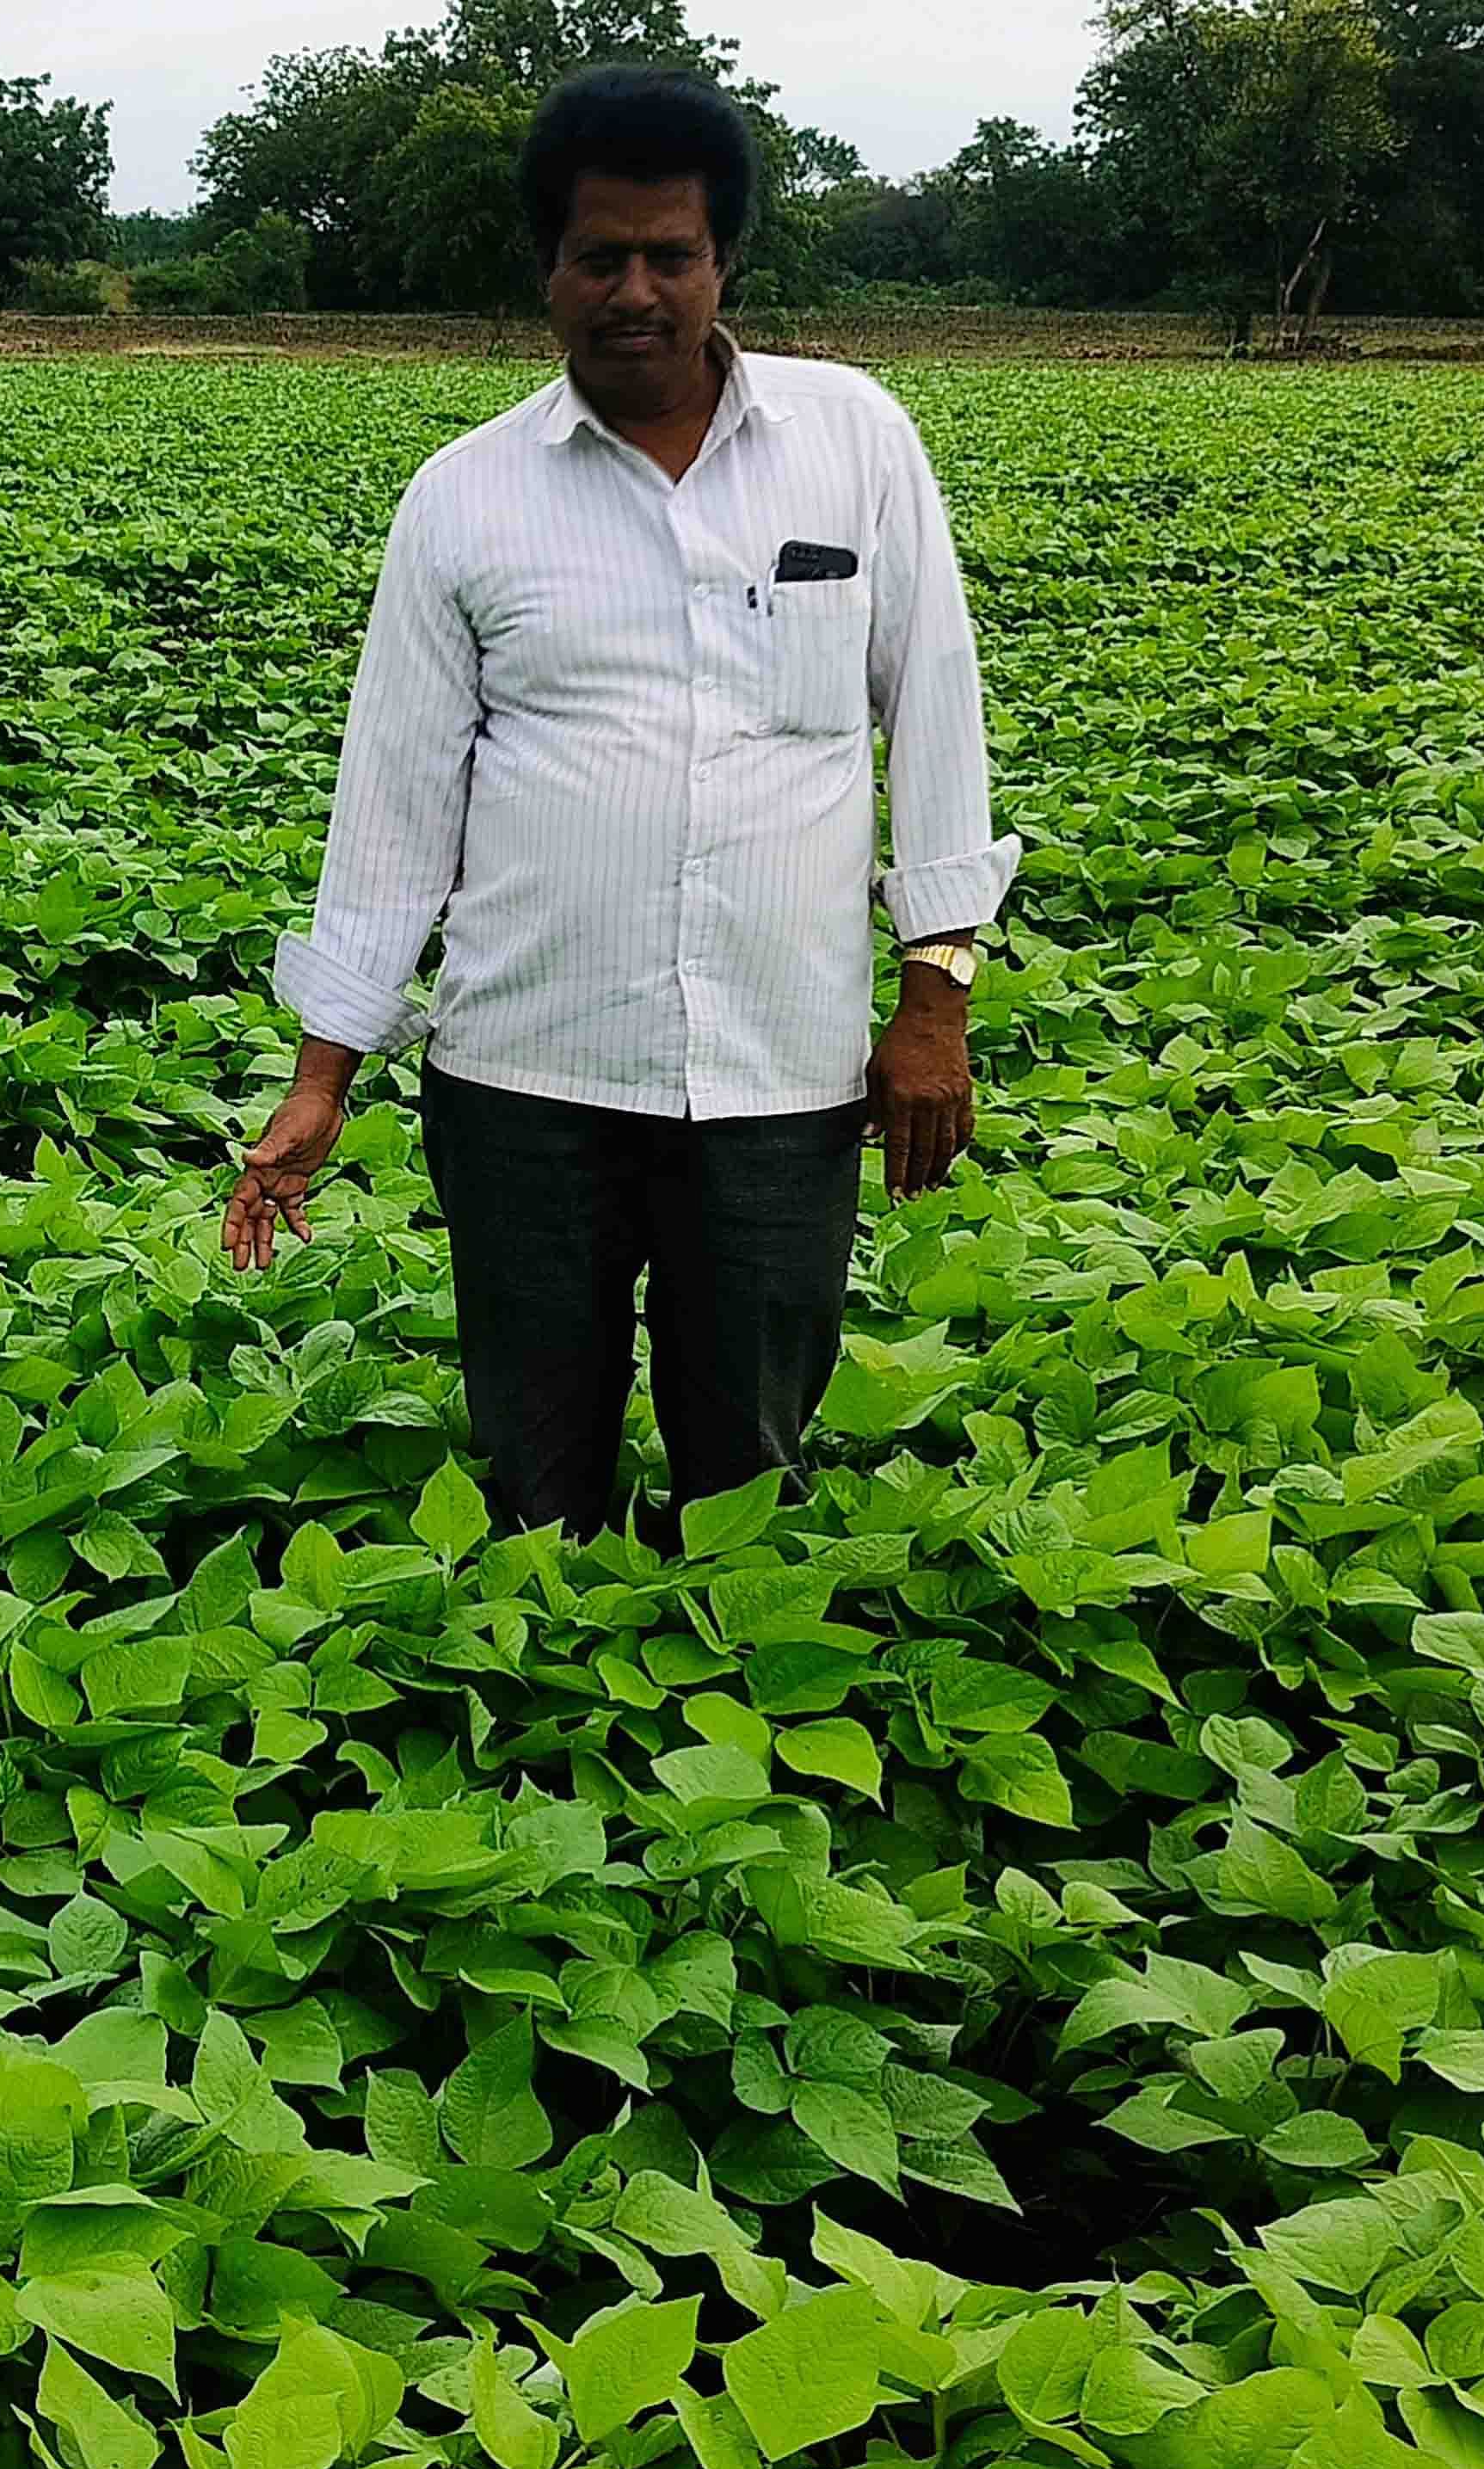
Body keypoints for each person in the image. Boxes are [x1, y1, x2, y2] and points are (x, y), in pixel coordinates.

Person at [215, 63, 1014, 1543]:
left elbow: (939, 716)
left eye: (671, 255)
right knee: (534, 1473)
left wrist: (938, 995)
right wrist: (324, 1075)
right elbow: (391, 809)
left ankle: (719, 1712)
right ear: (546, 272)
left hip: (777, 1073)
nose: (635, 290)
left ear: (726, 265)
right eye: (600, 257)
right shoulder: (465, 496)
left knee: (750, 1467)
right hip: (525, 1077)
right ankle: (542, 1726)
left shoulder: (856, 444)